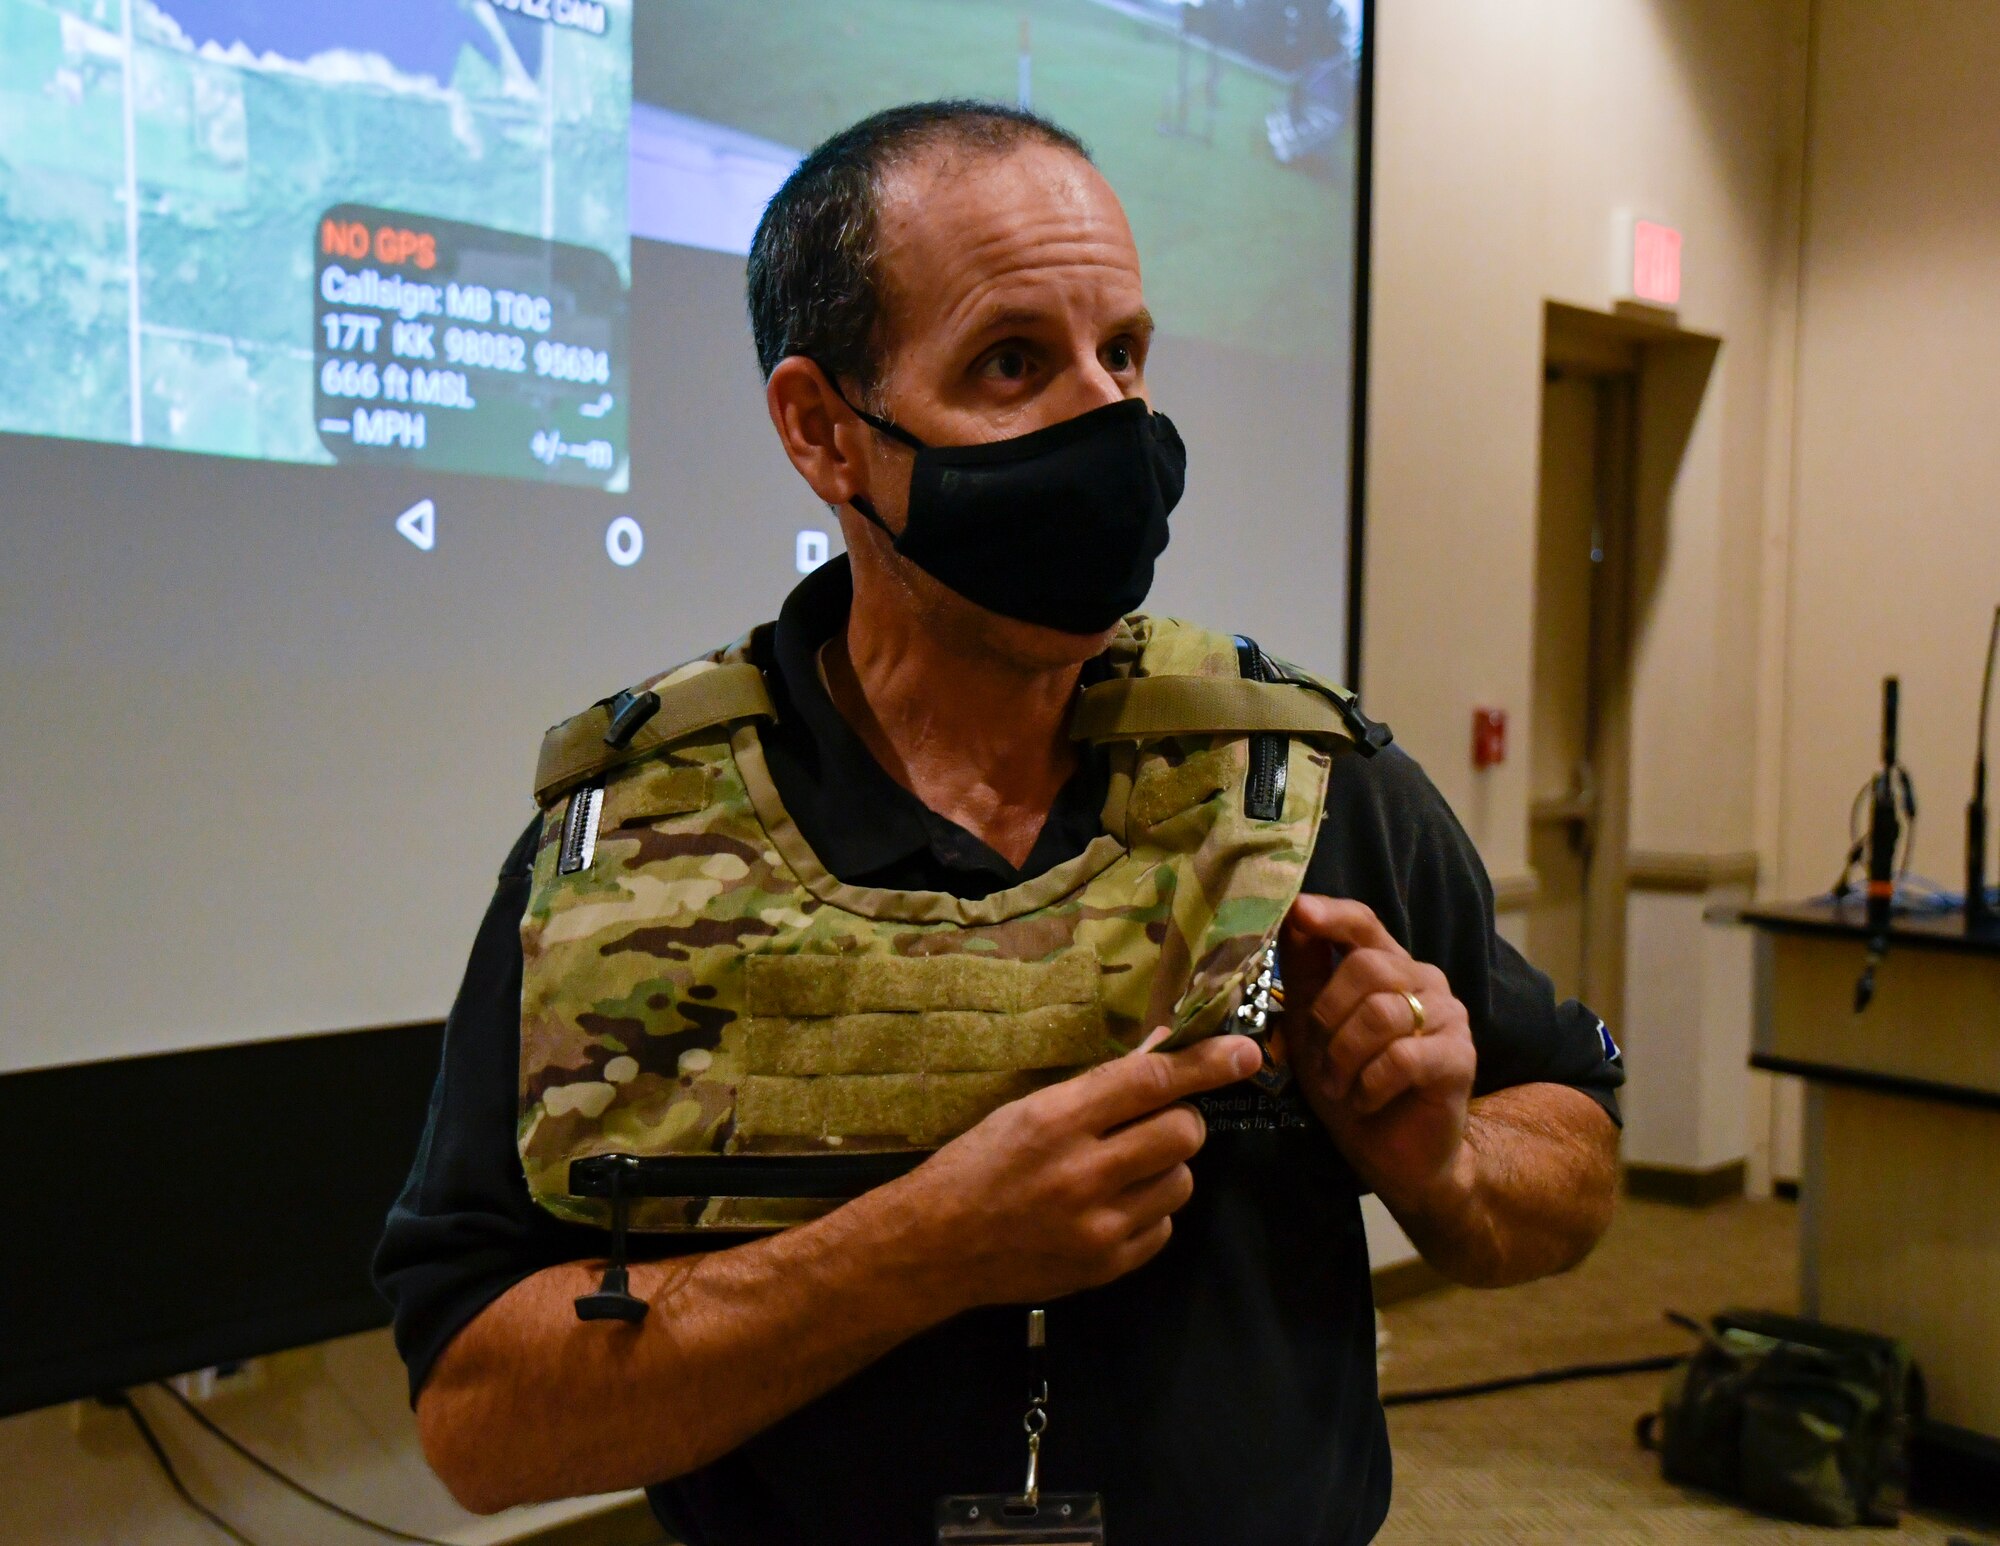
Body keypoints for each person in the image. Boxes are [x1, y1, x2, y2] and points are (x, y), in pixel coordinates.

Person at [375, 100, 1623, 1546]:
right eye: (1014, 361)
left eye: (1126, 354)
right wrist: (922, 1248)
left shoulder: (1303, 784)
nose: (1106, 416)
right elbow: (477, 1412)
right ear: (823, 429)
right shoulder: (630, 844)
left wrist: (1447, 1160)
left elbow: (1576, 1145)